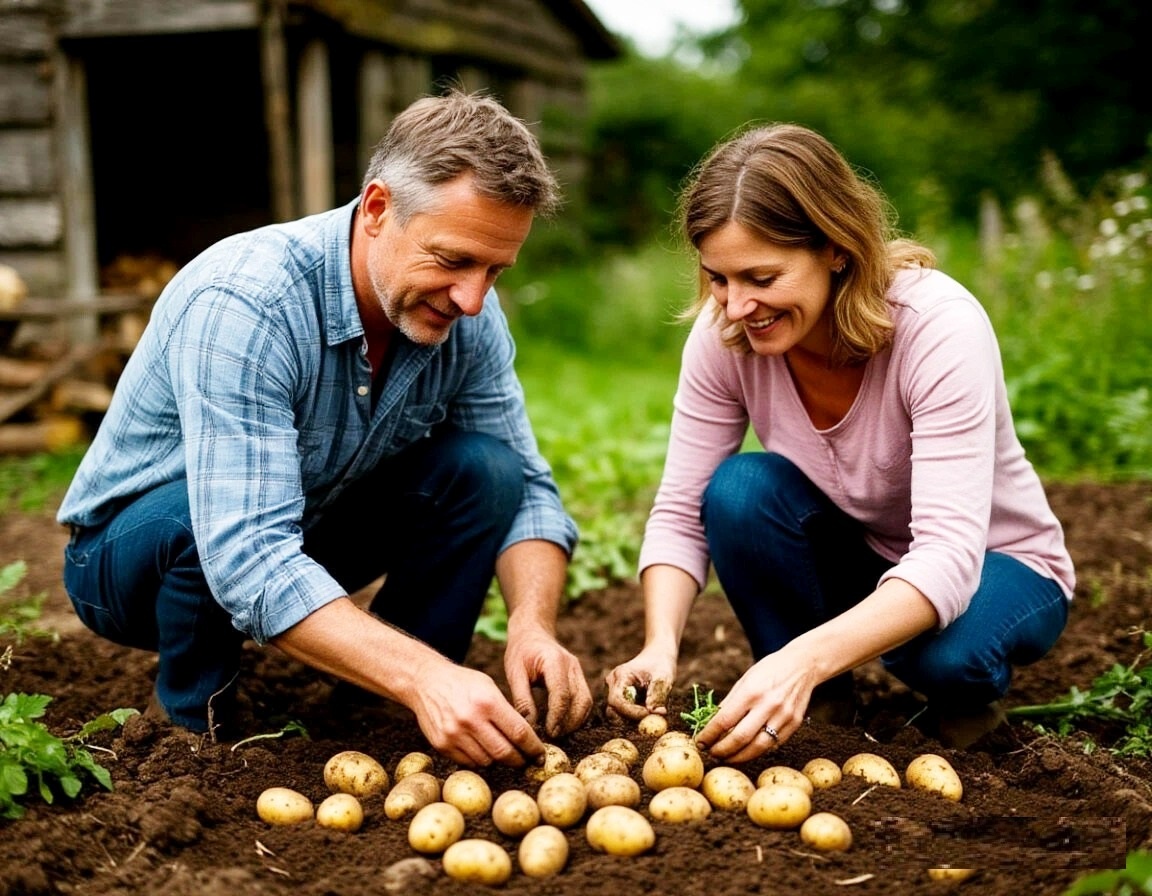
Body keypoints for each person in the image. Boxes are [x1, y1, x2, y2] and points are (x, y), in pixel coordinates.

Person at [57, 89, 593, 767]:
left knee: (486, 471)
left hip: (303, 525)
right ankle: (195, 733)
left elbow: (532, 492)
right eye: (454, 260)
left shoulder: (469, 320)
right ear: (376, 210)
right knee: (200, 516)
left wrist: (530, 626)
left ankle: (386, 712)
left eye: (495, 270)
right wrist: (424, 674)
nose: (473, 299)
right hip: (136, 561)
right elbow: (246, 551)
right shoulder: (247, 300)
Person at [605, 123, 1075, 760]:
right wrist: (660, 644)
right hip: (870, 555)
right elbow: (680, 511)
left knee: (944, 657)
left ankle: (956, 706)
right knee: (740, 491)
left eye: (761, 278)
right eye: (718, 278)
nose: (736, 305)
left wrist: (801, 657)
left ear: (835, 248)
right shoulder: (726, 338)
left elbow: (947, 560)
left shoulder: (937, 328)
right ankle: (817, 707)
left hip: (997, 562)